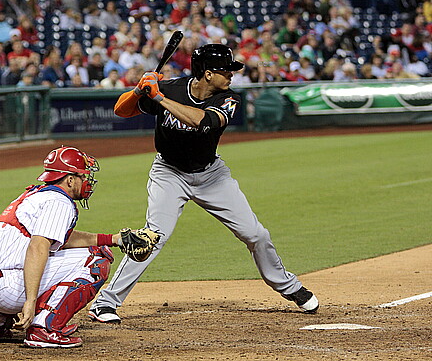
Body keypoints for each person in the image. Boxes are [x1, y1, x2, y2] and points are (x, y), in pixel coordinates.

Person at [87, 43, 319, 324]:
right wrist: (139, 90)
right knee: (153, 237)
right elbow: (122, 111)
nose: (231, 75)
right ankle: (106, 303)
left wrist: (158, 97)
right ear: (207, 74)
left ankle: (289, 287)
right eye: (226, 70)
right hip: (169, 174)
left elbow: (202, 121)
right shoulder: (172, 88)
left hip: (212, 176)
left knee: (255, 234)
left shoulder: (228, 98)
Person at [0, 146, 128, 348]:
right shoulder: (58, 201)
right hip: (6, 291)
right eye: (83, 176)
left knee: (77, 251)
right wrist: (30, 302)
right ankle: (45, 329)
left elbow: (62, 239)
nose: (87, 181)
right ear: (70, 179)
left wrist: (112, 239)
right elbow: (37, 248)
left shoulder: (36, 195)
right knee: (96, 260)